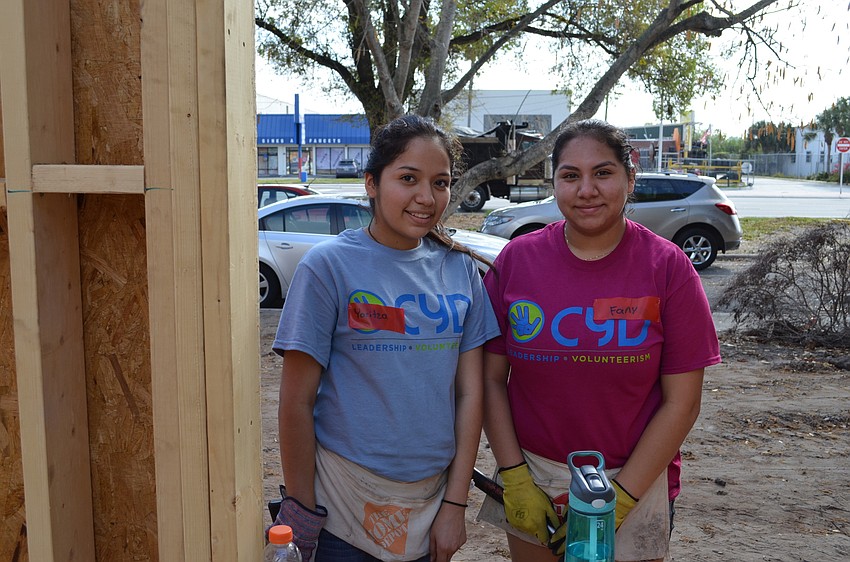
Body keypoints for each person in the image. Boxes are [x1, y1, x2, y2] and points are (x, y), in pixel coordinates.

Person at [478, 119, 720, 562]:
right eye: (570, 176)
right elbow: (490, 380)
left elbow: (682, 403)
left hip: (636, 479)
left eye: (603, 173)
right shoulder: (517, 261)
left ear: (630, 177)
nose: (586, 189)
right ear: (554, 184)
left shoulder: (668, 269)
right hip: (534, 475)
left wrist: (621, 498)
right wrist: (513, 476)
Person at [271, 114, 500, 562]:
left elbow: (471, 394)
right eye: (408, 178)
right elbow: (296, 401)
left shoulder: (459, 269)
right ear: (371, 183)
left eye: (440, 182)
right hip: (339, 508)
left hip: (431, 507)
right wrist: (301, 513)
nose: (425, 197)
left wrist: (455, 505)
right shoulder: (327, 266)